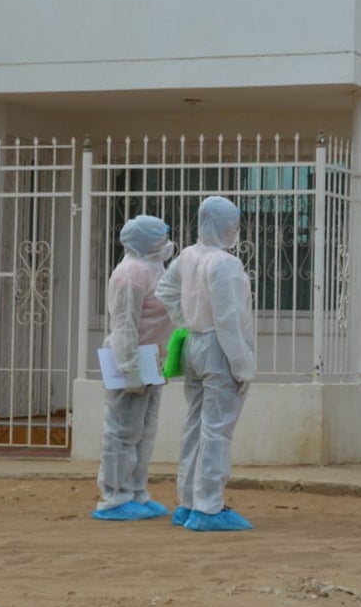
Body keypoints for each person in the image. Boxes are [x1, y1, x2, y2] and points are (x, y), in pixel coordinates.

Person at [156, 196, 255, 531]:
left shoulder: (188, 255)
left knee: (195, 425)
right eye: (233, 223)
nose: (236, 229)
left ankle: (188, 502)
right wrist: (242, 366)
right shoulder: (225, 264)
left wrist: (185, 320)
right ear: (223, 224)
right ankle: (209, 506)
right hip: (217, 347)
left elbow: (165, 290)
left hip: (194, 344)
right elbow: (228, 320)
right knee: (217, 430)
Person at [92, 215, 175, 521]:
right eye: (162, 236)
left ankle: (137, 491)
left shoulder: (153, 267)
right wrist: (129, 368)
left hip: (151, 360)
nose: (167, 241)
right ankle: (115, 496)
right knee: (122, 431)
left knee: (144, 431)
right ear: (147, 241)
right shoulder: (131, 273)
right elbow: (125, 324)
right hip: (131, 360)